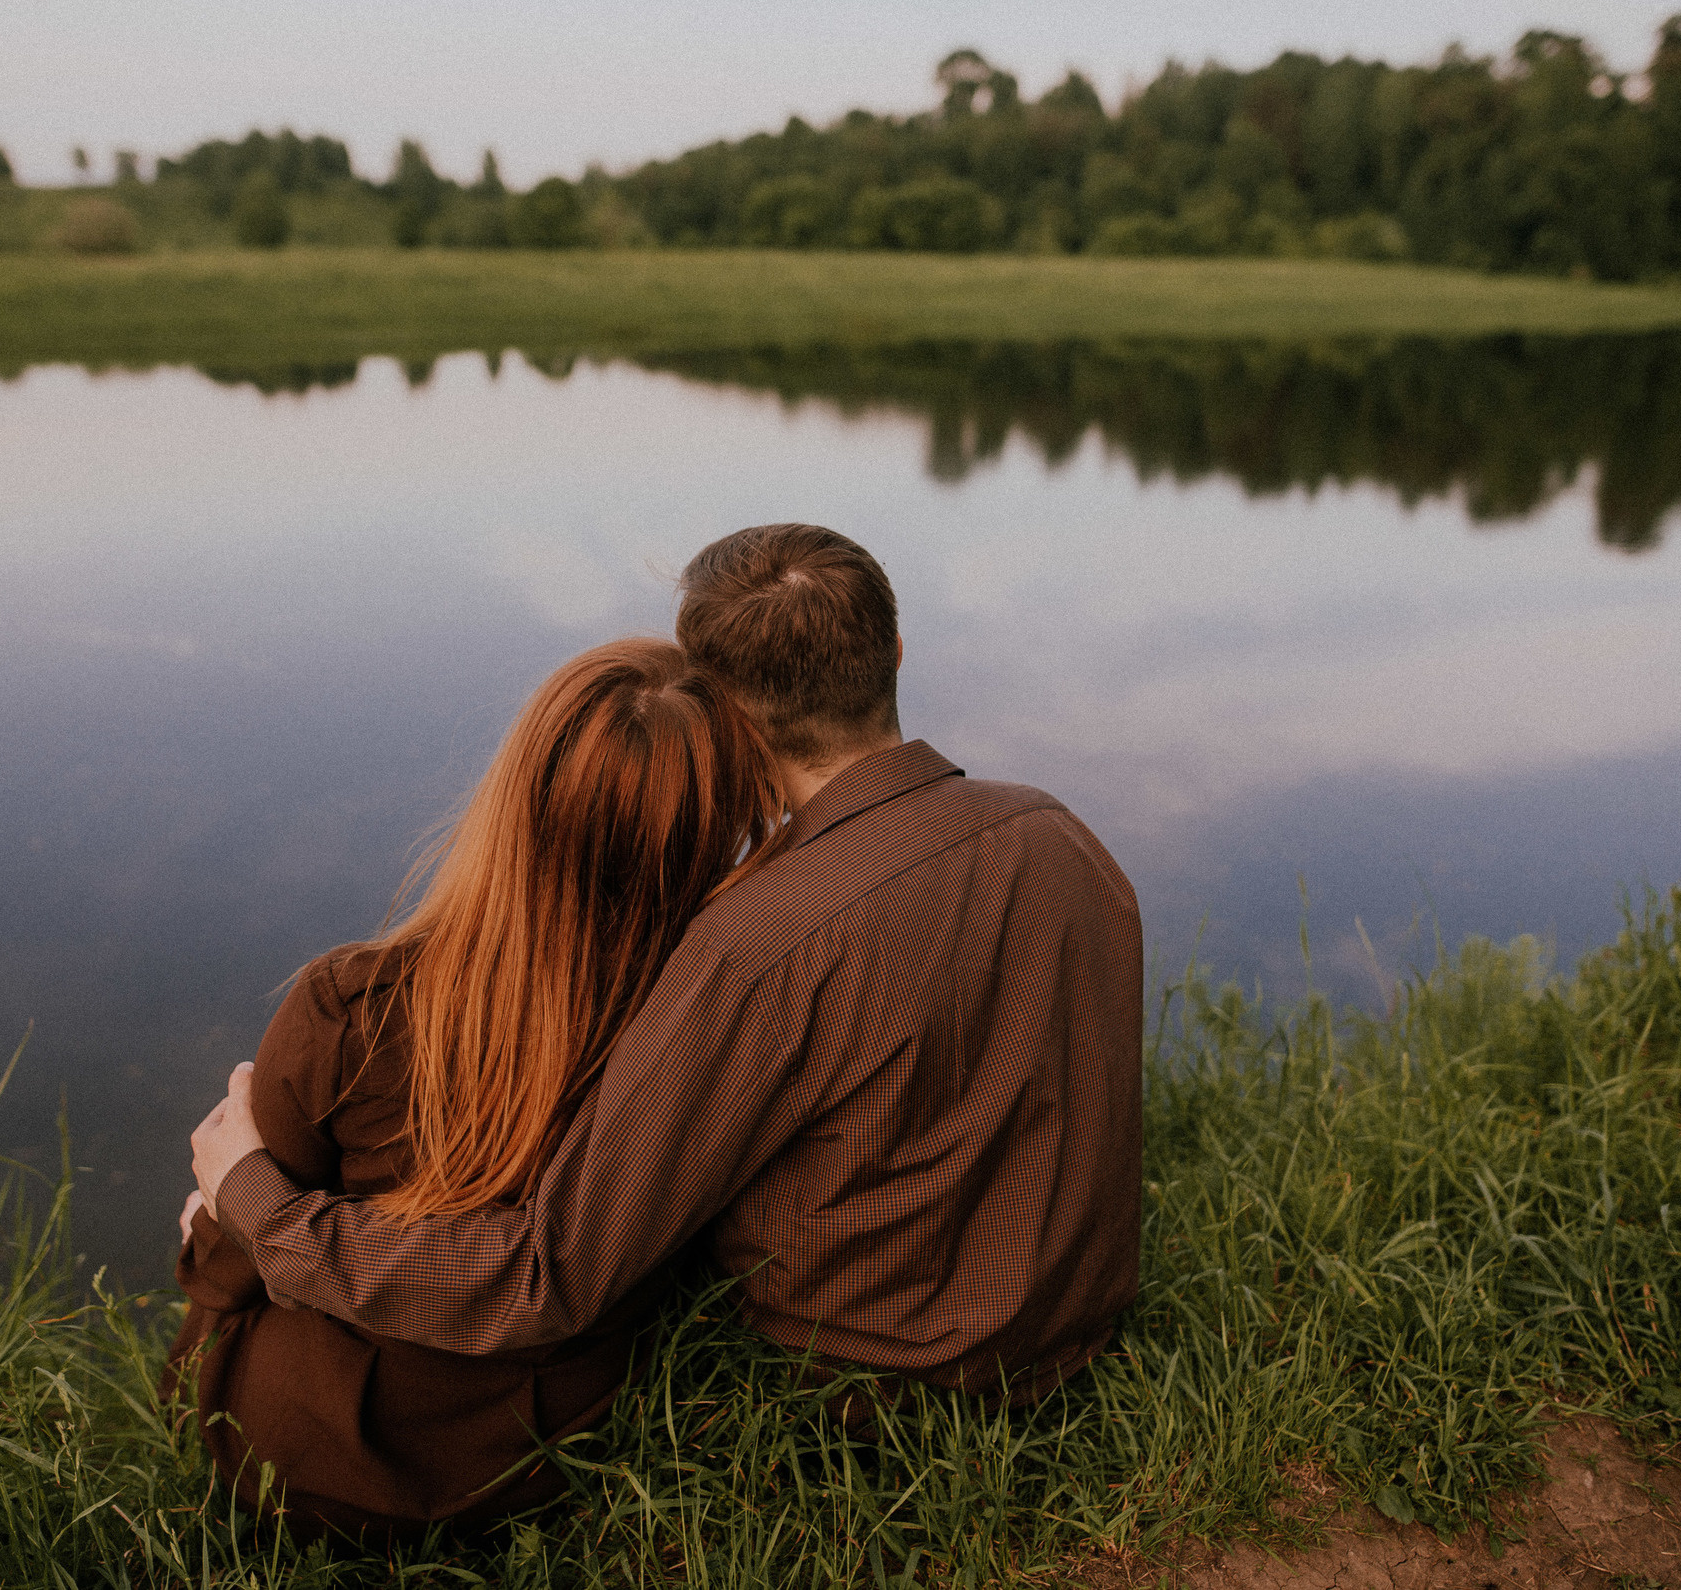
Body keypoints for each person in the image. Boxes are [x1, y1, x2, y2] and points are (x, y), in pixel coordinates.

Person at [191, 522, 1146, 1413]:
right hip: (1076, 1335)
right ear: (897, 652)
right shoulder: (1059, 830)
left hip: (879, 1387)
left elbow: (553, 1274)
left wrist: (262, 1211)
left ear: (721, 712)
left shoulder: (758, 941)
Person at [166, 636, 785, 1542]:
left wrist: (219, 1230)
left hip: (311, 1458)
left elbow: (234, 1259)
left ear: (515, 799)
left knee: (220, 1257)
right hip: (554, 1448)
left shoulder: (356, 1007)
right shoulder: (710, 1020)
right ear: (714, 825)